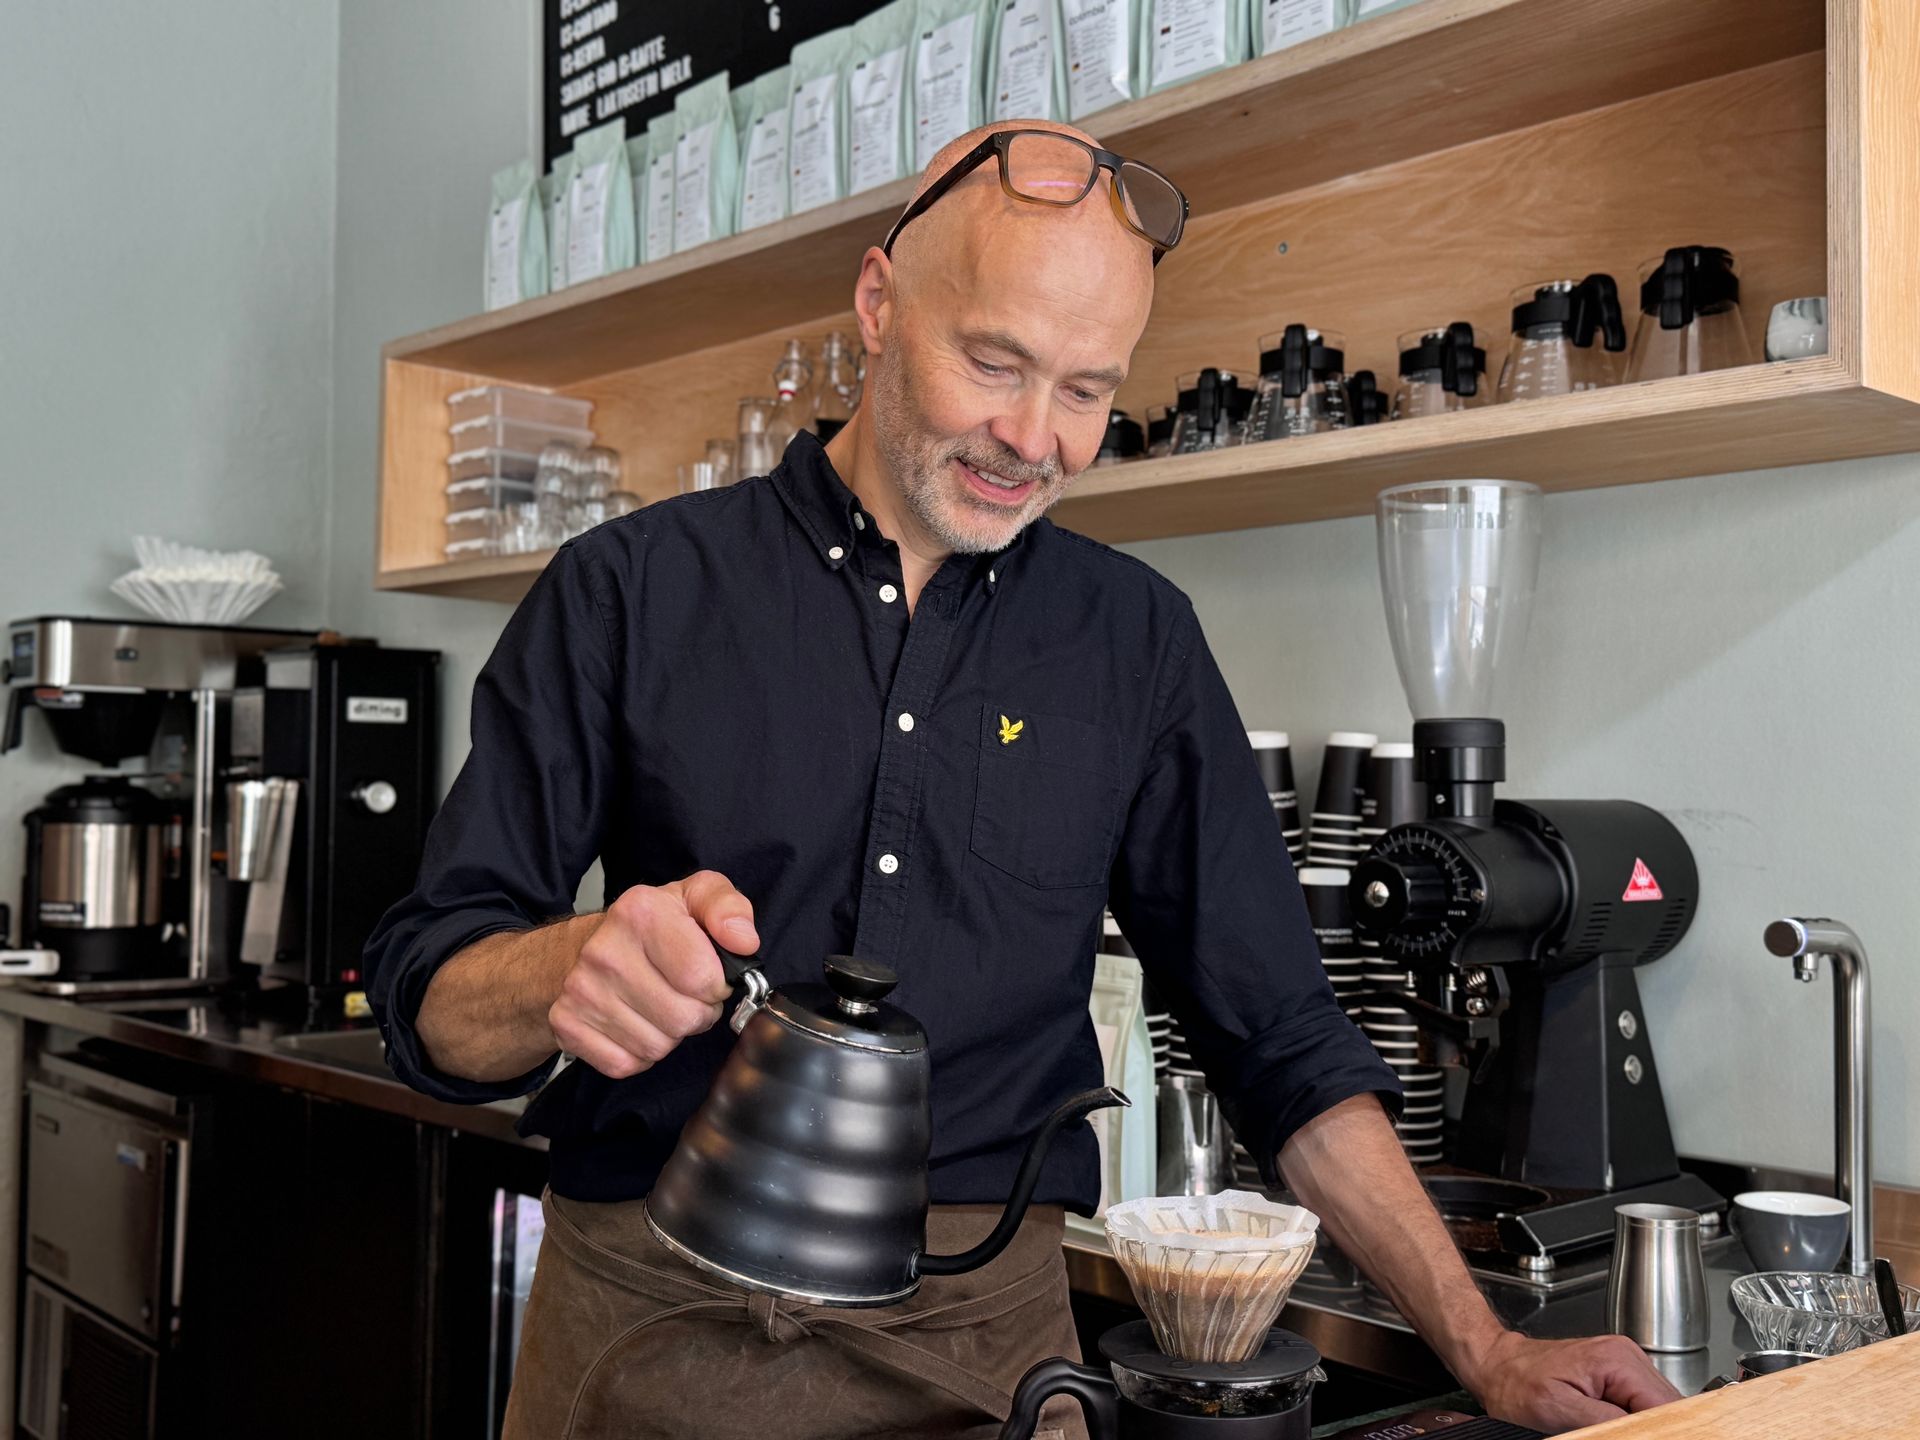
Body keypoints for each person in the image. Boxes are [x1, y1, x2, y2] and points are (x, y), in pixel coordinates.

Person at [367, 119, 1681, 1440]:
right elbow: (431, 992)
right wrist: (569, 969)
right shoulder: (631, 591)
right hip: (644, 1322)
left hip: (977, 1354)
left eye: (1087, 390)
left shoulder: (1138, 643)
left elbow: (1282, 1043)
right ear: (878, 304)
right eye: (993, 362)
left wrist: (1490, 1347)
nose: (1032, 437)